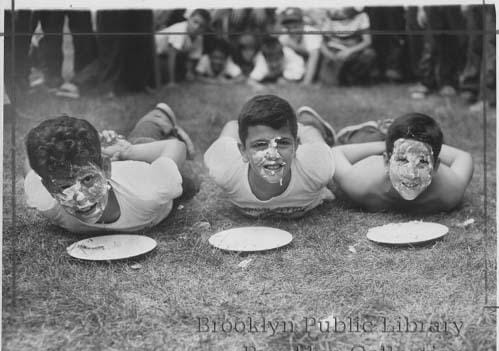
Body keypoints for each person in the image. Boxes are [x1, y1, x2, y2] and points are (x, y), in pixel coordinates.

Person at [24, 103, 196, 233]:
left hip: (137, 163)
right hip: (107, 162)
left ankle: (159, 115)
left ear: (106, 168)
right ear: (48, 188)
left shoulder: (149, 190)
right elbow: (31, 167)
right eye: (64, 187)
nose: (81, 199)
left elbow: (176, 147)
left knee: (190, 181)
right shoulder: (46, 202)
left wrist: (129, 152)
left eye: (87, 180)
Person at [204, 94, 336, 218]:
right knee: (232, 127)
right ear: (243, 151)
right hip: (238, 145)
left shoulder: (316, 169)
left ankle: (308, 123)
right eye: (260, 144)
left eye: (283, 143)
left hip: (308, 150)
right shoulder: (225, 169)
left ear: (296, 147)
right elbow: (226, 137)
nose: (273, 155)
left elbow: (318, 148)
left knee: (312, 134)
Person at [331, 113, 474, 213]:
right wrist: (385, 144)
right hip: (374, 142)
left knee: (417, 146)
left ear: (436, 167)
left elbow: (464, 157)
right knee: (360, 139)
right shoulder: (361, 184)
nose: (411, 174)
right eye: (402, 160)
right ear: (386, 162)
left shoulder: (449, 193)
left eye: (422, 162)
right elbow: (335, 153)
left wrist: (421, 148)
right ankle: (378, 130)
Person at [319, 7, 376, 85]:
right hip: (335, 50)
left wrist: (349, 51)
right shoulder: (331, 15)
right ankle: (339, 78)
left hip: (354, 50)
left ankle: (353, 79)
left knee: (369, 54)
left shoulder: (361, 16)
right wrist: (329, 55)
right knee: (331, 83)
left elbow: (367, 41)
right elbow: (322, 42)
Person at [155, 9, 211, 85]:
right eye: (195, 22)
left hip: (164, 55)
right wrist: (171, 82)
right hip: (152, 50)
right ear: (189, 19)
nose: (197, 27)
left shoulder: (199, 37)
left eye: (201, 26)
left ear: (205, 29)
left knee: (182, 76)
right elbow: (171, 55)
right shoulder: (180, 29)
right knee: (162, 77)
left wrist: (189, 72)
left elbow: (192, 57)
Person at [278, 7, 322, 85]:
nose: (292, 30)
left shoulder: (311, 33)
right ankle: (290, 77)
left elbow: (314, 58)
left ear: (302, 23)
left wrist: (307, 82)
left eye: (295, 26)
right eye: (288, 27)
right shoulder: (283, 36)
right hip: (302, 59)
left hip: (320, 61)